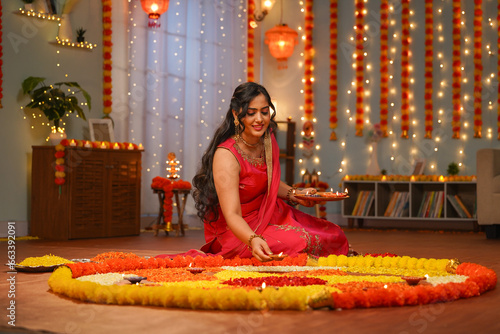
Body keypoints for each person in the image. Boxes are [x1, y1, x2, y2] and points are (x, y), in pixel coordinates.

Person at [157, 82, 349, 261]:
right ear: (236, 114)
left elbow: (267, 181)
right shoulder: (226, 155)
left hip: (271, 214)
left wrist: (294, 193)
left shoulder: (267, 140)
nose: (259, 119)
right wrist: (252, 239)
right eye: (251, 113)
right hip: (239, 228)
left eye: (264, 112)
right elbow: (232, 214)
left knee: (331, 233)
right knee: (300, 242)